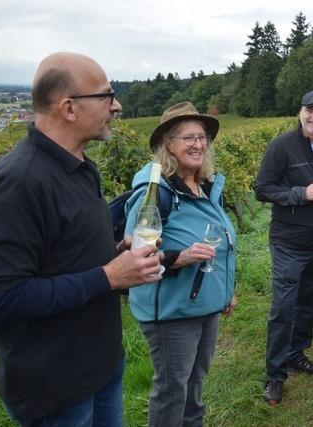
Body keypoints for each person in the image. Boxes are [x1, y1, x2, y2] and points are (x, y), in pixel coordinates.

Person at [0, 52, 162, 425]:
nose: (116, 106)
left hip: (101, 366)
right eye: (106, 95)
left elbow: (66, 253)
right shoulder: (19, 182)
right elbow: (3, 298)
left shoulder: (82, 167)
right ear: (69, 108)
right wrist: (109, 277)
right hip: (56, 388)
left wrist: (119, 254)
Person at [124, 102, 237, 426]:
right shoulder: (156, 193)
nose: (198, 144)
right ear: (168, 145)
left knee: (193, 388)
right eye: (188, 137)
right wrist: (178, 258)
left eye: (201, 137)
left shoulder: (204, 186)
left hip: (204, 307)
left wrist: (225, 290)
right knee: (173, 391)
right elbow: (135, 259)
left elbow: (221, 243)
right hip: (172, 312)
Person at [255, 90, 313, 405]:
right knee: (283, 308)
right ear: (300, 112)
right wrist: (299, 194)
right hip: (290, 242)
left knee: (311, 303)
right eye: (310, 110)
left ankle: (296, 353)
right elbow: (262, 189)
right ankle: (274, 375)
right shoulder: (281, 147)